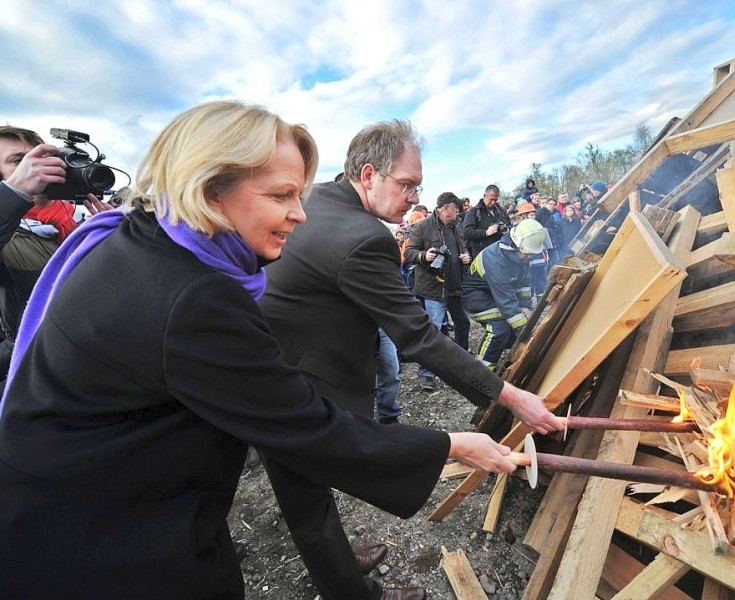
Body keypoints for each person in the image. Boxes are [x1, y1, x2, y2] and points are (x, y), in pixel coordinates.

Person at [0, 101, 542, 600]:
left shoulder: (133, 237)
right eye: (280, 196)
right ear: (208, 189)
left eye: (298, 194)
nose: (299, 214)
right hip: (108, 543)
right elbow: (313, 426)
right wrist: (451, 443)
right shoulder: (194, 296)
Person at [259, 119, 562, 599]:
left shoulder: (316, 197)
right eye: (406, 185)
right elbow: (419, 336)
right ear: (368, 174)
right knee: (307, 499)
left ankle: (336, 553)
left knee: (309, 497)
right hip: (294, 381)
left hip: (285, 357)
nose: (411, 197)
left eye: (417, 187)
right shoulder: (362, 238)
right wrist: (509, 395)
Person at [0, 126, 108, 383]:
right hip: (22, 374)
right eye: (19, 161)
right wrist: (15, 193)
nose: (34, 167)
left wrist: (110, 239)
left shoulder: (81, 219)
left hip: (81, 368)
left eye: (40, 158)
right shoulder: (8, 227)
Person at [404, 192, 471, 389]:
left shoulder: (457, 226)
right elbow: (409, 253)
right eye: (454, 209)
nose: (457, 212)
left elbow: (463, 248)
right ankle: (426, 374)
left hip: (455, 288)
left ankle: (461, 366)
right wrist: (424, 256)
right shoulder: (422, 226)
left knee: (463, 324)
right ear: (443, 208)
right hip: (434, 289)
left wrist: (466, 256)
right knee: (433, 331)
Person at [462, 220, 548, 369]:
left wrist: (525, 306)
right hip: (476, 298)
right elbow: (507, 303)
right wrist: (525, 333)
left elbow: (524, 283)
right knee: (500, 329)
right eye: (528, 254)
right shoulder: (495, 261)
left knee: (512, 329)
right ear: (515, 246)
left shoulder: (520, 255)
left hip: (496, 295)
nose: (531, 258)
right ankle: (482, 371)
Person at [461, 184, 512, 258]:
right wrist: (486, 233)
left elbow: (509, 225)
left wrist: (506, 229)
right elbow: (466, 232)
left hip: (501, 253)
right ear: (484, 196)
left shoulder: (500, 211)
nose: (493, 202)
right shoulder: (473, 212)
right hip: (483, 255)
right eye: (491, 199)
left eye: (496, 200)